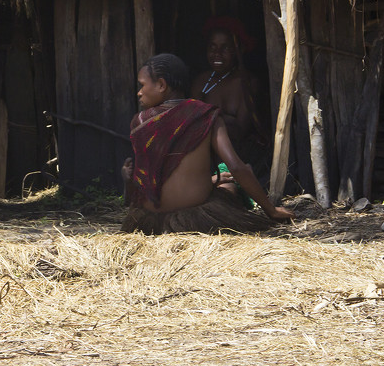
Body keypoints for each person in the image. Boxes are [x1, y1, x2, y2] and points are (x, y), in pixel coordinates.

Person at [121, 54, 293, 234]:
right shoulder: (205, 115)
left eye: (142, 85)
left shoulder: (140, 122)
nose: (139, 92)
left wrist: (127, 180)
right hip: (196, 218)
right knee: (229, 187)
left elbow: (150, 181)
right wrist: (271, 210)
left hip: (150, 221)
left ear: (162, 85)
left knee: (221, 182)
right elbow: (236, 167)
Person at [190, 19, 267, 170]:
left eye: (225, 48)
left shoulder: (246, 83)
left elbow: (240, 131)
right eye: (213, 47)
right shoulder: (201, 82)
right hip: (201, 159)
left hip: (235, 158)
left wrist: (211, 119)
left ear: (238, 50)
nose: (217, 54)